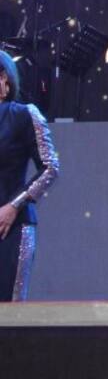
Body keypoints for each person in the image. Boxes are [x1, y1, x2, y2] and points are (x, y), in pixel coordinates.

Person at [0, 50, 59, 302]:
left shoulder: (24, 115)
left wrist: (14, 206)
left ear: (4, 78)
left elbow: (50, 167)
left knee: (8, 313)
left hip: (11, 228)